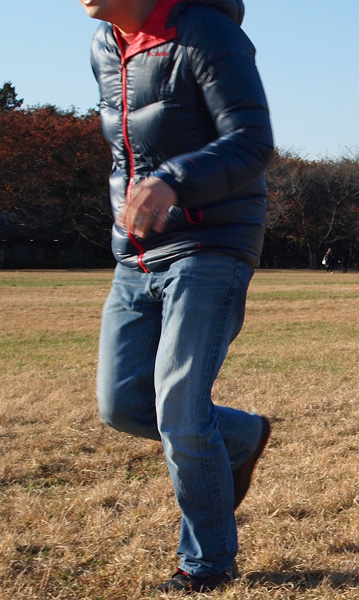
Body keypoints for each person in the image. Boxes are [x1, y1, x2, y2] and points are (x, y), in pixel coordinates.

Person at [79, 0, 274, 593]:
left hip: (211, 245)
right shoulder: (104, 46)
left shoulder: (205, 31)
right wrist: (125, 217)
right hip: (136, 254)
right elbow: (126, 153)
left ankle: (207, 563)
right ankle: (241, 437)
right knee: (121, 404)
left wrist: (172, 181)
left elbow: (252, 139)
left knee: (181, 409)